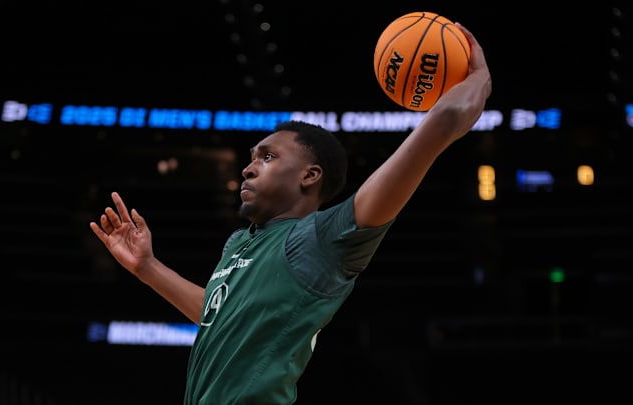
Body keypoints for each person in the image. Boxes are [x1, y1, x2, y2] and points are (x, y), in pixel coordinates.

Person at [90, 22, 491, 405]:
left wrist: (478, 78)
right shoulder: (239, 243)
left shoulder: (322, 237)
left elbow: (444, 121)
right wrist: (147, 268)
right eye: (251, 158)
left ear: (310, 176)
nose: (248, 168)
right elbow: (220, 315)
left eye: (267, 156)